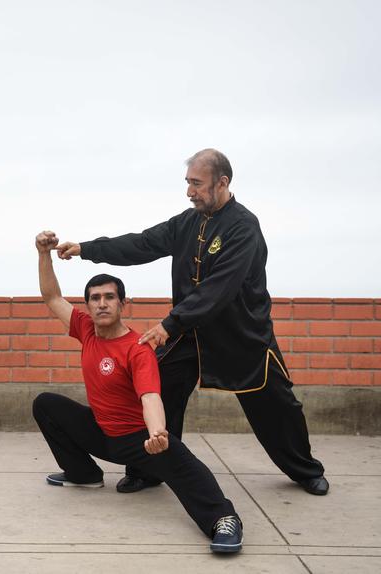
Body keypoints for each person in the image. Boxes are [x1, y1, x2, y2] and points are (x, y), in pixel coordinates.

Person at [55, 149, 328, 496]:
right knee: (159, 392)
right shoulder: (186, 223)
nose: (190, 192)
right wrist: (85, 248)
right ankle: (148, 468)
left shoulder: (244, 227)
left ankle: (305, 470)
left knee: (275, 407)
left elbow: (220, 287)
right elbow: (141, 244)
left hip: (241, 337)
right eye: (188, 183)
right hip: (188, 336)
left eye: (197, 184)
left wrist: (170, 324)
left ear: (222, 182)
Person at [31, 230, 243, 554]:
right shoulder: (86, 329)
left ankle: (223, 518)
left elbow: (150, 396)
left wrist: (157, 433)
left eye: (109, 297)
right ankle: (84, 474)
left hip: (137, 441)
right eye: (95, 298)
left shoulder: (137, 348)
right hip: (102, 433)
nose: (101, 303)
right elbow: (52, 298)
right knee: (45, 404)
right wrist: (43, 254)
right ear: (87, 306)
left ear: (122, 303)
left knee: (181, 461)